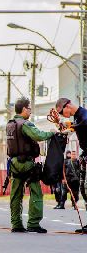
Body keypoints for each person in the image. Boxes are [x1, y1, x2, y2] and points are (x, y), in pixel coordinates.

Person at [7, 97, 55, 233]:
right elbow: (38, 135)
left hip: (14, 163)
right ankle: (33, 223)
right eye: (29, 109)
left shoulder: (10, 124)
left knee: (15, 195)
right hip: (27, 164)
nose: (30, 111)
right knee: (36, 192)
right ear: (23, 109)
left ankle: (16, 224)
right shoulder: (25, 124)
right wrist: (52, 133)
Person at [55, 98, 87, 232]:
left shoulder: (84, 116)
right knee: (84, 190)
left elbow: (82, 124)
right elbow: (75, 126)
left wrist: (71, 126)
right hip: (85, 155)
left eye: (62, 112)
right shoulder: (78, 118)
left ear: (67, 106)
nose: (62, 115)